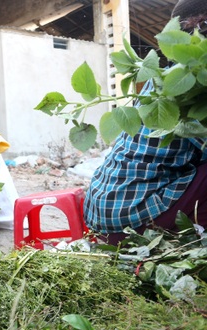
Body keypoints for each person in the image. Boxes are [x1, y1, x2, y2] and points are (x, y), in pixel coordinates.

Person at [83, 0, 207, 245]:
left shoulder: (162, 79)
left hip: (100, 213)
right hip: (127, 225)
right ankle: (189, 246)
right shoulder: (190, 88)